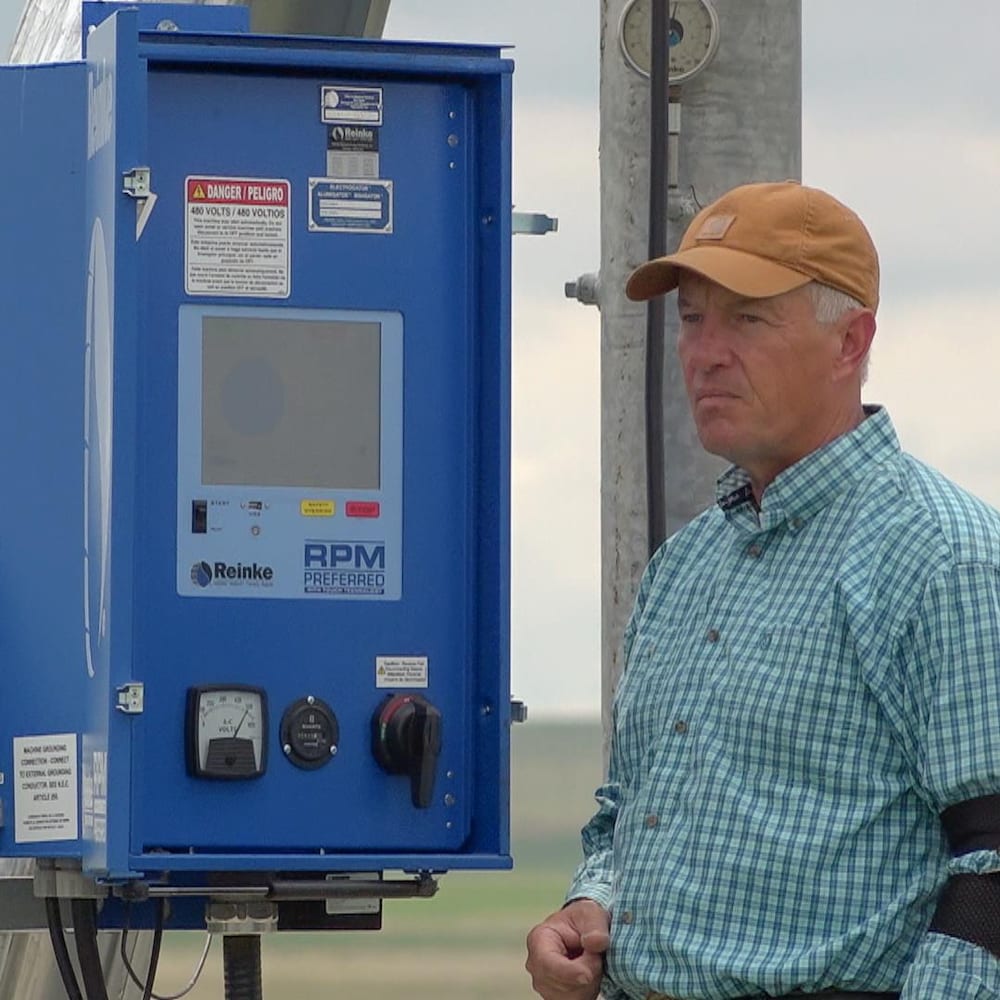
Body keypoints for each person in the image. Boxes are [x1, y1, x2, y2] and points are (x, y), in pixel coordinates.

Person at [525, 180, 1000, 1000]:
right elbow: (627, 810)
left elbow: (990, 867)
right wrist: (587, 904)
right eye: (691, 318)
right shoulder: (684, 567)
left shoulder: (944, 557)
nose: (705, 351)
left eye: (747, 318)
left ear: (850, 341)